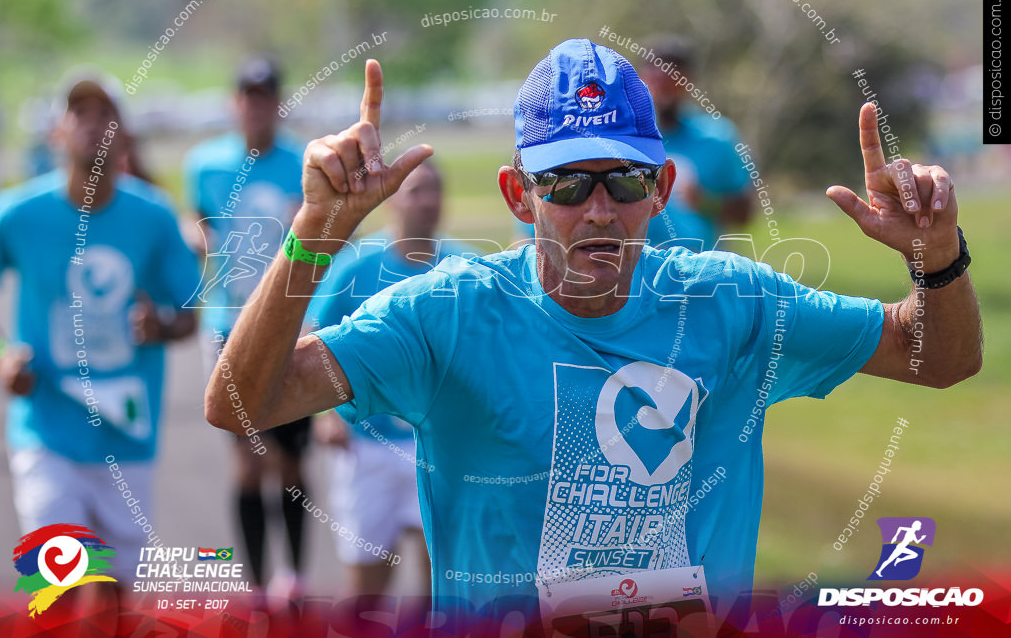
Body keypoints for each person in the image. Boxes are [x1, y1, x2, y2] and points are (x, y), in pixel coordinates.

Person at [204, 39, 981, 633]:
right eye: (568, 184)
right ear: (519, 195)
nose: (599, 209)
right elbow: (242, 400)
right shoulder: (445, 315)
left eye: (625, 180)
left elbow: (942, 358)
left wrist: (937, 260)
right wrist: (313, 234)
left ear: (663, 190)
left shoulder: (733, 304)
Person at [0, 74, 198, 589]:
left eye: (105, 114)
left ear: (124, 135)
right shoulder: (19, 214)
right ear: (56, 134)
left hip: (126, 433)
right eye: (78, 113)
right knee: (54, 585)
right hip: (47, 428)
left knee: (117, 591)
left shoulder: (152, 215)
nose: (92, 125)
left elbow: (189, 314)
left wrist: (160, 326)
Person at [308, 161, 474, 604]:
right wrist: (326, 414)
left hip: (437, 446)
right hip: (366, 444)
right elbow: (315, 344)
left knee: (438, 582)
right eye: (417, 190)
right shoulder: (354, 267)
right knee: (366, 590)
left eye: (436, 190)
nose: (428, 201)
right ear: (393, 199)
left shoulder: (466, 270)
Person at [183, 56, 309, 603]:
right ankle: (257, 585)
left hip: (289, 325)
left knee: (290, 460)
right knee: (247, 459)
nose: (256, 106)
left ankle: (296, 577)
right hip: (227, 327)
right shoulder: (204, 164)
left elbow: (322, 236)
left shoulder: (303, 161)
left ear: (277, 103)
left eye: (265, 96)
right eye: (247, 96)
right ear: (237, 103)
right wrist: (195, 241)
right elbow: (198, 223)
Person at [640, 35, 753, 251]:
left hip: (701, 272)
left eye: (673, 78)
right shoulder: (624, 139)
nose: (664, 85)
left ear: (688, 81)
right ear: (641, 79)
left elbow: (744, 213)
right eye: (657, 77)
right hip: (635, 273)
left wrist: (704, 201)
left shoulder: (718, 137)